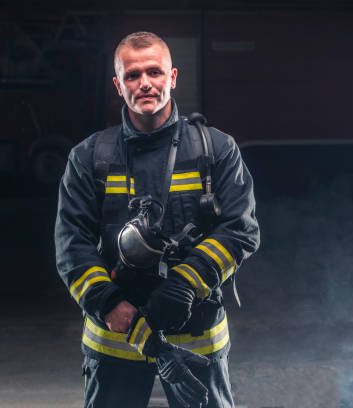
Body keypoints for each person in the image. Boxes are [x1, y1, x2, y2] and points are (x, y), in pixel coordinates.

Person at [55, 31, 259, 408]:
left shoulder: (215, 150)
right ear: (118, 85)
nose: (145, 83)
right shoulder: (88, 158)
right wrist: (111, 304)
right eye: (132, 75)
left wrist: (186, 283)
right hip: (115, 341)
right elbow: (73, 247)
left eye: (154, 72)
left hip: (197, 339)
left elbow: (240, 230)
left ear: (173, 77)